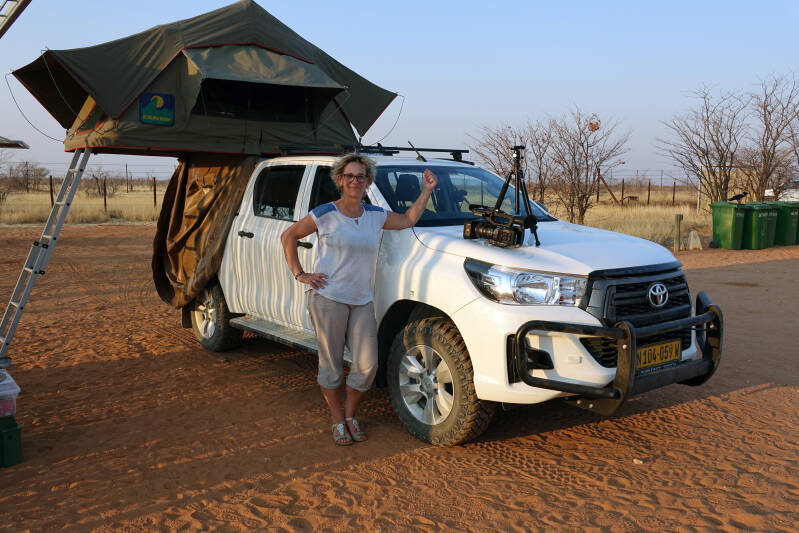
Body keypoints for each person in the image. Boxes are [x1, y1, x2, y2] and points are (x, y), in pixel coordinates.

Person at [280, 153, 437, 445]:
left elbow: (408, 219)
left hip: (362, 300)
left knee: (367, 366)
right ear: (340, 180)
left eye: (360, 177)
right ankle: (337, 420)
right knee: (332, 366)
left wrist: (426, 190)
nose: (354, 181)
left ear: (367, 182)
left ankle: (351, 415)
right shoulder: (325, 213)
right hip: (328, 298)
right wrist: (300, 274)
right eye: (349, 176)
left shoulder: (375, 215)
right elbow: (288, 236)